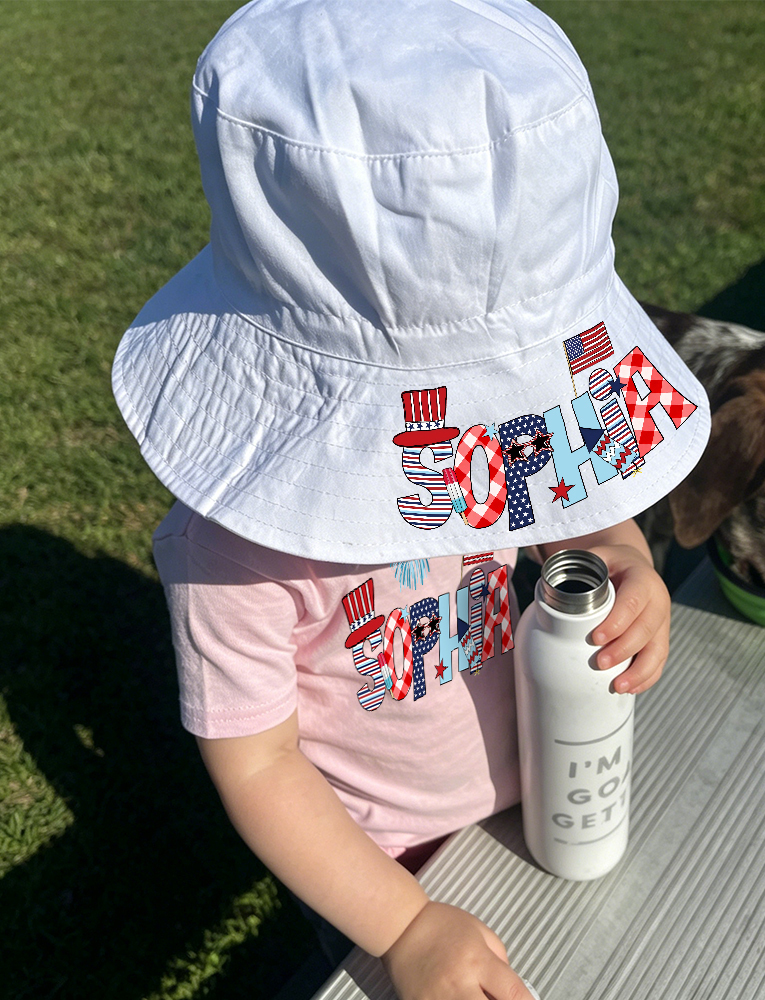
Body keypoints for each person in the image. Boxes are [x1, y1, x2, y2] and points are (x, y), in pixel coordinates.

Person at [111, 1, 710, 998]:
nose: (505, 425)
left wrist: (624, 552)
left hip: (543, 763)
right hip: (377, 863)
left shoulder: (511, 426)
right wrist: (403, 929)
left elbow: (569, 475)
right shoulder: (234, 550)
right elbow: (256, 766)